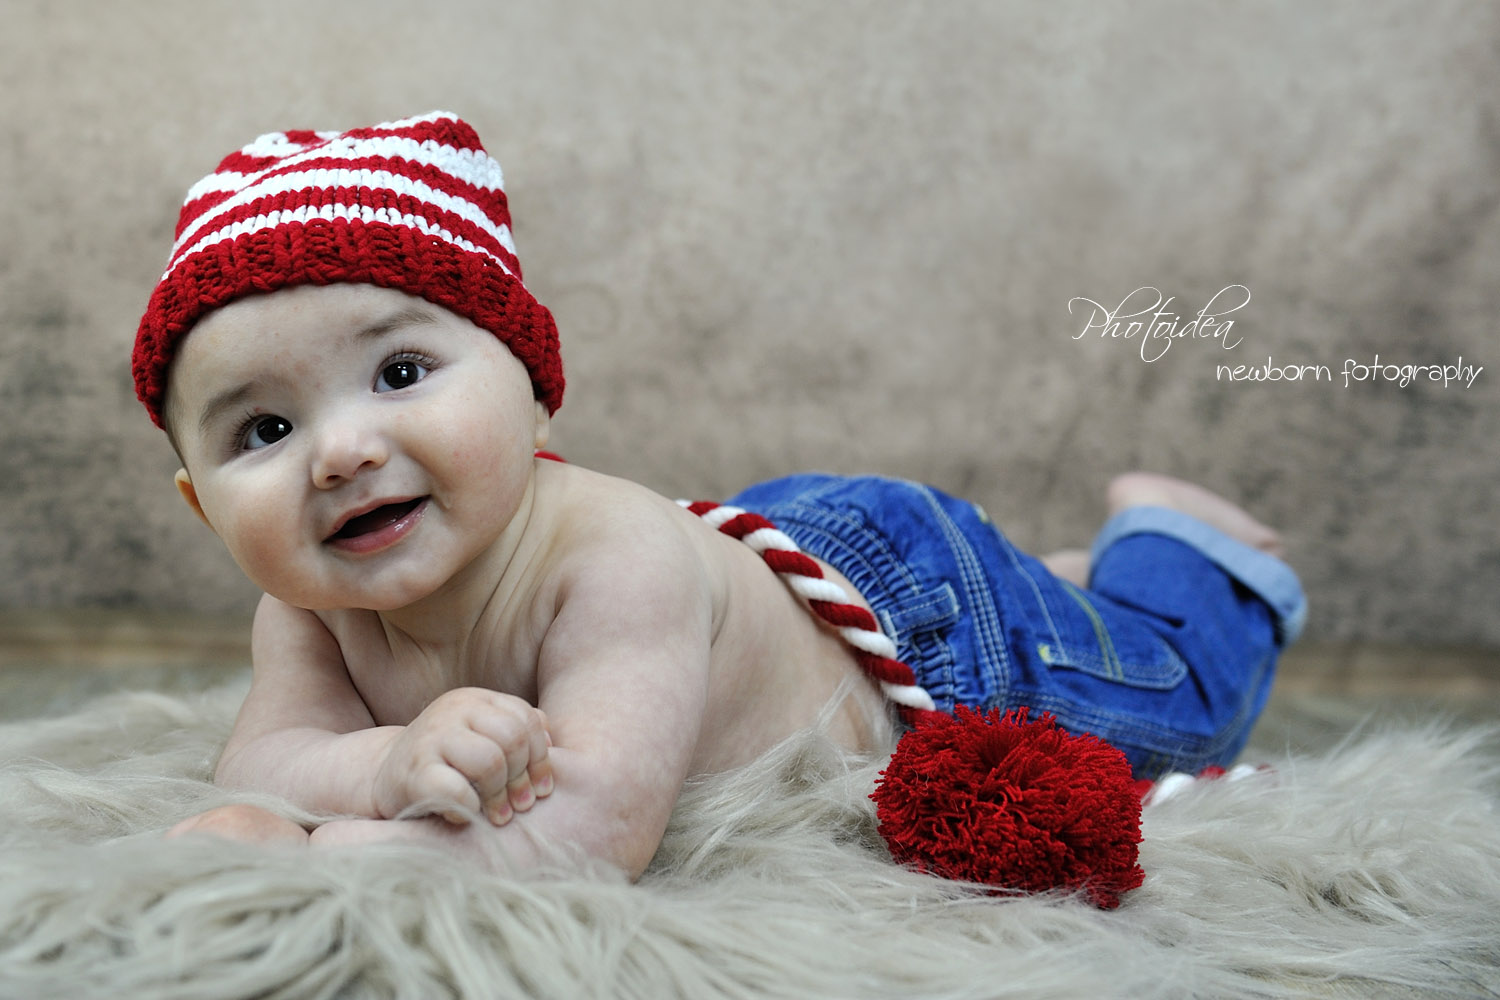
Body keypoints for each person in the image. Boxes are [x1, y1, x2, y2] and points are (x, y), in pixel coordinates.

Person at [141, 112, 1305, 877]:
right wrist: (380, 768)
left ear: (536, 395)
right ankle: (1056, 578)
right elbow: (262, 760)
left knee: (1170, 693)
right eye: (266, 428)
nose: (339, 452)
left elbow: (589, 838)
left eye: (400, 373)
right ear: (204, 506)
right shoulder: (304, 604)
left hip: (919, 617)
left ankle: (1174, 540)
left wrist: (320, 856)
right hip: (763, 559)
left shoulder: (611, 564)